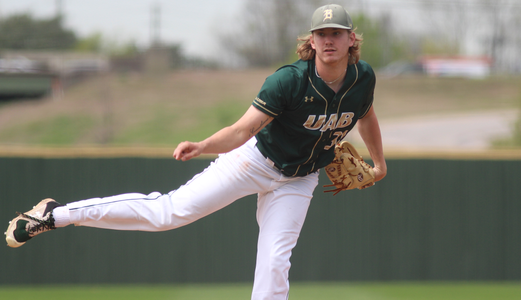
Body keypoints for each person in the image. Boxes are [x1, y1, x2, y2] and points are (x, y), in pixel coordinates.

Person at [5, 4, 386, 300]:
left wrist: (379, 163)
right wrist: (203, 146)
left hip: (299, 179)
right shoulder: (288, 81)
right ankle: (57, 214)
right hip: (254, 161)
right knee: (168, 213)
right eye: (322, 33)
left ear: (352, 39)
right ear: (313, 41)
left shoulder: (362, 78)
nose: (329, 39)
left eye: (337, 32)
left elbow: (366, 115)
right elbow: (242, 130)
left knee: (274, 262)